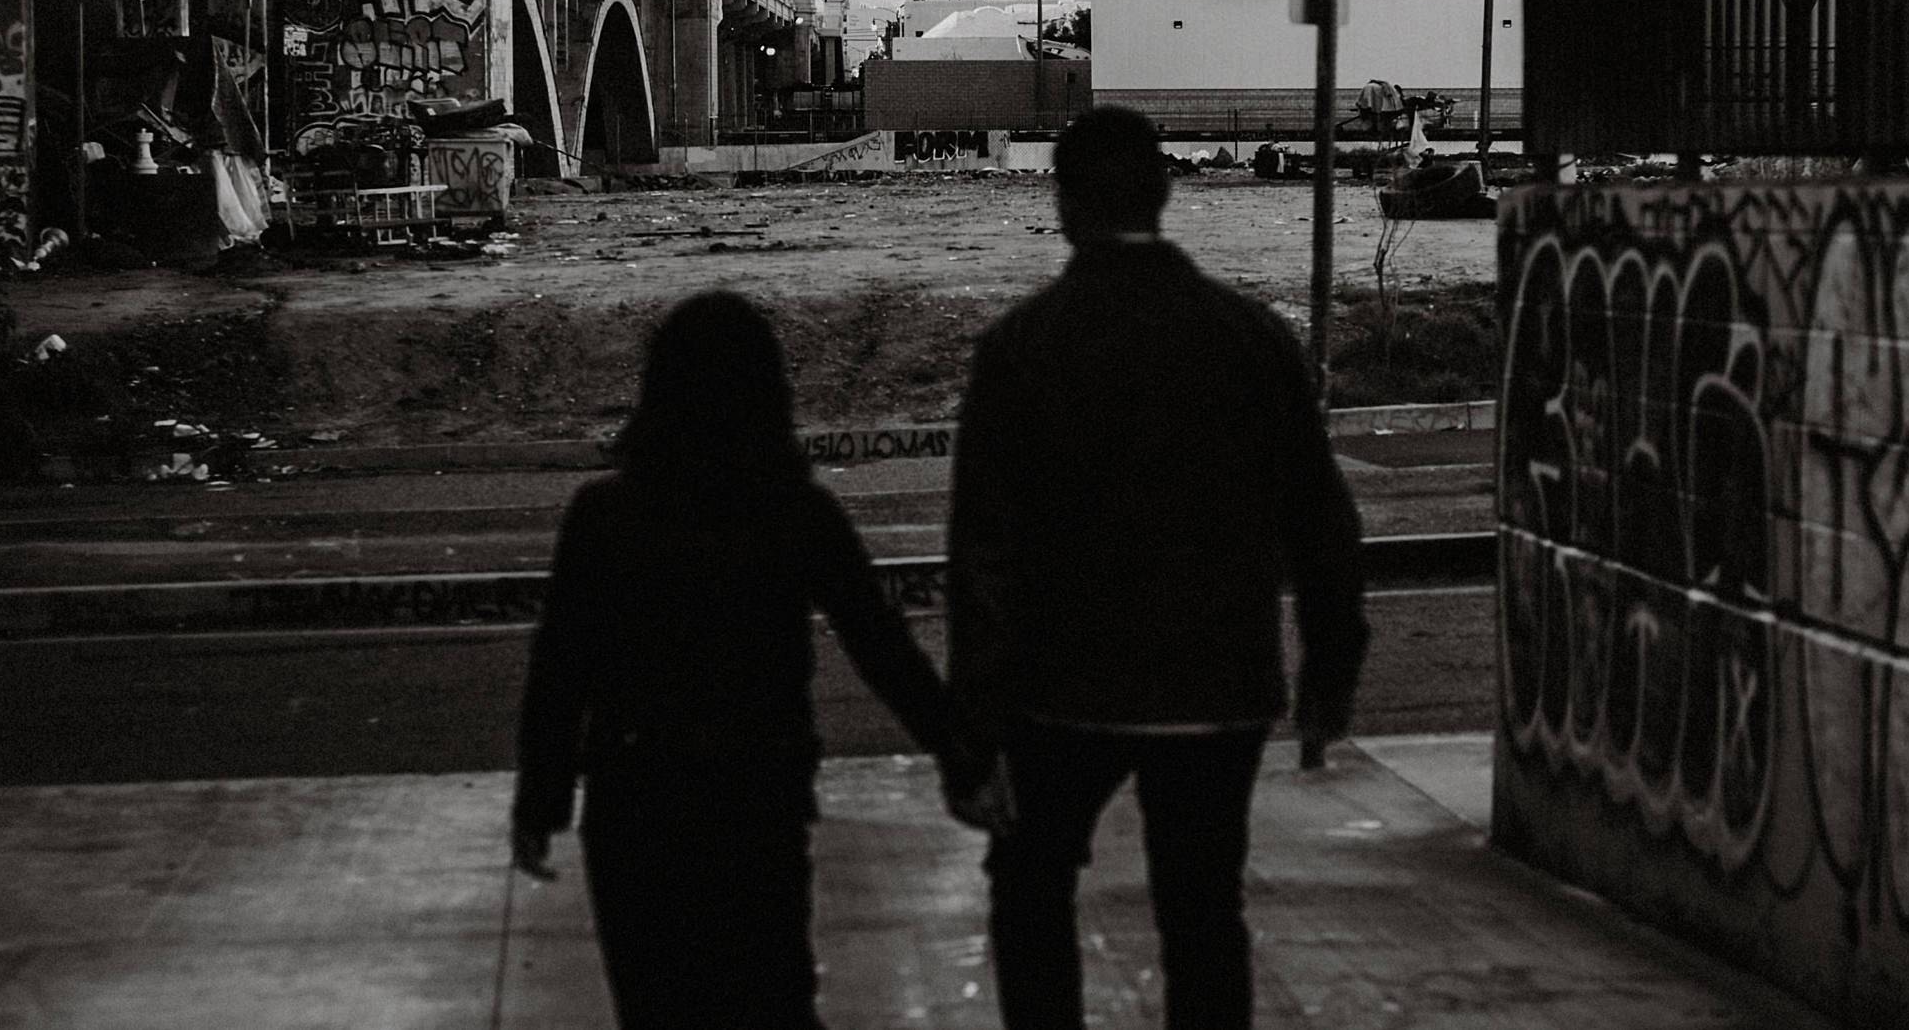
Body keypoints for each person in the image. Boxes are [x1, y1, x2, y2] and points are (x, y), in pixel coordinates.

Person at [945, 106, 1370, 1030]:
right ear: (1167, 193)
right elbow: (1321, 519)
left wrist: (972, 735)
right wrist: (1330, 671)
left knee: (1030, 891)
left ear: (1061, 204)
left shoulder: (1021, 348)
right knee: (1205, 914)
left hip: (1063, 691)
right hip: (1219, 685)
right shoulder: (1251, 338)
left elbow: (983, 556)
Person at [513, 291, 1000, 1030]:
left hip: (636, 796)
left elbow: (561, 670)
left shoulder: (602, 515)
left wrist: (542, 800)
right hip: (757, 791)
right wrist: (959, 756)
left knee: (657, 1006)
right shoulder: (795, 510)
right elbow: (880, 646)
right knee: (772, 997)